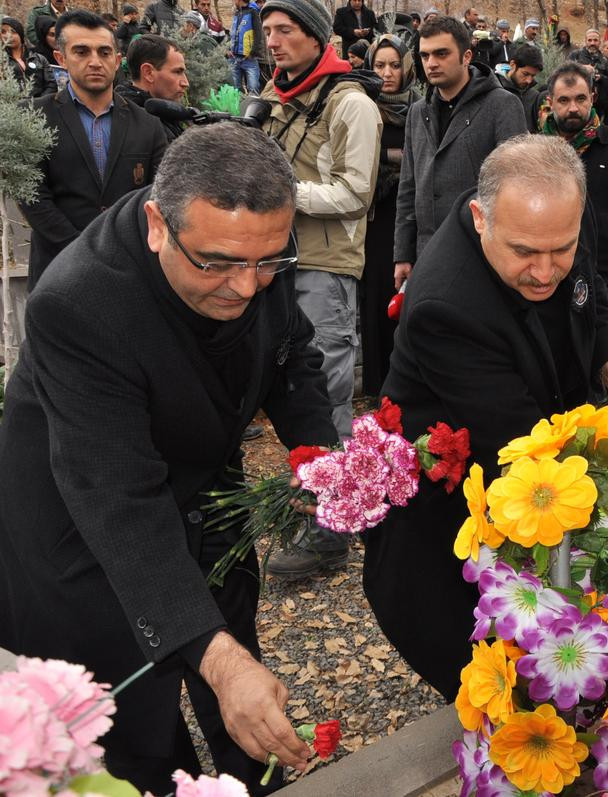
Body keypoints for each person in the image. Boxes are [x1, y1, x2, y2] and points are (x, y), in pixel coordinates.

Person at [0, 123, 336, 797]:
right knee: (131, 723)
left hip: (203, 487)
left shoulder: (250, 246)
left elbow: (290, 351)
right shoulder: (78, 304)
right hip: (82, 521)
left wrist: (322, 459)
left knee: (234, 664)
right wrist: (214, 657)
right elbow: (120, 502)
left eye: (267, 263)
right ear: (158, 225)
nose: (247, 287)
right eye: (217, 265)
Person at [363, 134, 608, 698]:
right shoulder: (446, 308)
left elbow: (589, 294)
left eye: (561, 249)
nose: (545, 271)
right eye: (525, 254)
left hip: (545, 477)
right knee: (507, 690)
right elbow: (524, 457)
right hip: (454, 529)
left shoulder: (551, 221)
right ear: (480, 218)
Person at [257, 0, 383, 577]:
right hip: (271, 262)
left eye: (284, 30)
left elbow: (355, 194)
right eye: (267, 31)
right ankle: (310, 503)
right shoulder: (276, 96)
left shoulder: (350, 104)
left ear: (316, 37)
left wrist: (282, 194)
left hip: (324, 266)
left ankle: (331, 531)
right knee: (287, 390)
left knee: (327, 395)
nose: (272, 41)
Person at [17, 10, 167, 290]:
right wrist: (83, 251)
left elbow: (157, 196)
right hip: (57, 273)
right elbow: (34, 199)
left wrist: (123, 252)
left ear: (117, 60)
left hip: (129, 272)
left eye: (104, 52)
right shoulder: (34, 117)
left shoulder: (148, 125)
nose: (95, 61)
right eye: (81, 51)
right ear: (61, 58)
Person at [392, 16, 526, 286]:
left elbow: (515, 186)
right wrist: (403, 254)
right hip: (427, 258)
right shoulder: (417, 112)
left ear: (466, 56)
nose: (431, 63)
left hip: (481, 259)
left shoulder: (502, 105)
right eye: (425, 55)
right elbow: (408, 187)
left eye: (441, 54)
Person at [541, 61, 608, 300]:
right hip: (550, 277)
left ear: (593, 98)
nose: (573, 108)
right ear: (550, 102)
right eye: (564, 100)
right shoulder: (535, 150)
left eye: (580, 99)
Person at [360, 33, 418, 397]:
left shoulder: (421, 109)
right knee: (378, 297)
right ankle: (377, 387)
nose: (387, 73)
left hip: (412, 214)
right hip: (376, 215)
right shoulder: (364, 108)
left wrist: (390, 158)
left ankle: (408, 384)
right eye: (379, 65)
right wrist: (392, 158)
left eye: (395, 65)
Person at [116, 34, 188, 140]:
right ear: (148, 73)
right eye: (177, 72)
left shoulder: (162, 116)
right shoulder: (141, 130)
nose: (185, 83)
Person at [496, 41, 542, 132]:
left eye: (533, 76)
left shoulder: (534, 96)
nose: (529, 81)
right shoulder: (494, 89)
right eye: (525, 74)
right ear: (513, 65)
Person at [228, 0, 264, 93]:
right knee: (235, 89)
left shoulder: (252, 12)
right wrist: (229, 49)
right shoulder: (236, 13)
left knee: (253, 88)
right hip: (234, 57)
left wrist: (253, 52)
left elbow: (258, 34)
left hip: (249, 58)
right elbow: (233, 33)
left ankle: (253, 102)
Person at [1, 17, 29, 89]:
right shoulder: (2, 61)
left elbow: (50, 84)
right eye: (3, 32)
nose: (8, 36)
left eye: (13, 31)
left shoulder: (37, 58)